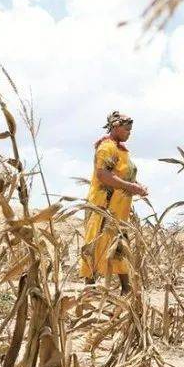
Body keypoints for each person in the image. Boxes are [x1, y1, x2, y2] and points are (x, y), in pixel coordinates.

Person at [78, 111, 149, 295]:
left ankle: (126, 289)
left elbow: (124, 175)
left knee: (119, 245)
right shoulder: (106, 147)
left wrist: (137, 186)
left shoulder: (122, 151)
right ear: (116, 127)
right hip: (104, 207)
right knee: (98, 243)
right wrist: (131, 187)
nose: (129, 133)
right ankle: (91, 288)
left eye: (131, 129)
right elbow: (103, 175)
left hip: (119, 211)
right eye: (126, 129)